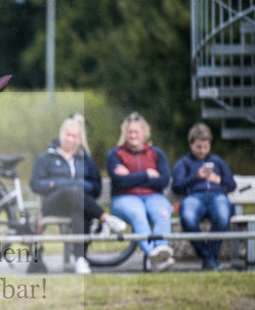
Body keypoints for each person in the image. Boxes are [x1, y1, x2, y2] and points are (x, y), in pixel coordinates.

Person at [30, 115, 128, 274]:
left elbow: (96, 187)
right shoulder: (46, 158)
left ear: (79, 138)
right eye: (67, 135)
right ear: (61, 134)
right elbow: (35, 184)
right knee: (68, 191)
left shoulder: (86, 159)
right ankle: (105, 218)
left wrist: (77, 186)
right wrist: (56, 184)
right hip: (53, 204)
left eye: (74, 136)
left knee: (79, 210)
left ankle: (80, 260)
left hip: (80, 203)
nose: (70, 139)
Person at [106, 112, 175, 272]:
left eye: (136, 132)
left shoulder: (157, 153)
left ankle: (160, 253)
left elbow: (163, 181)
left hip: (153, 197)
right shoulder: (115, 154)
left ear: (144, 132)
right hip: (124, 198)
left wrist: (130, 176)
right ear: (125, 133)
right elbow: (120, 182)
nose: (133, 135)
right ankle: (153, 256)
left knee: (162, 213)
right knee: (137, 213)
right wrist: (146, 174)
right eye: (130, 132)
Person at [172, 123, 236, 271]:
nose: (202, 151)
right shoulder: (184, 163)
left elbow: (232, 185)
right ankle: (209, 258)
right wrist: (196, 177)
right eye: (198, 147)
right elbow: (177, 187)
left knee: (222, 216)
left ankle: (208, 259)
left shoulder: (218, 161)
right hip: (194, 197)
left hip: (218, 196)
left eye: (206, 147)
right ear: (191, 144)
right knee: (187, 218)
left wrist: (219, 180)